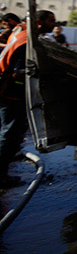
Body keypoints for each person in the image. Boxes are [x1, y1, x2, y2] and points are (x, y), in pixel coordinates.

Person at [0, 10, 56, 187]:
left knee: (8, 134)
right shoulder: (26, 41)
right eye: (51, 21)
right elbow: (18, 73)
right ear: (39, 21)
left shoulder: (21, 33)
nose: (54, 24)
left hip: (8, 91)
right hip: (10, 93)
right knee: (8, 135)